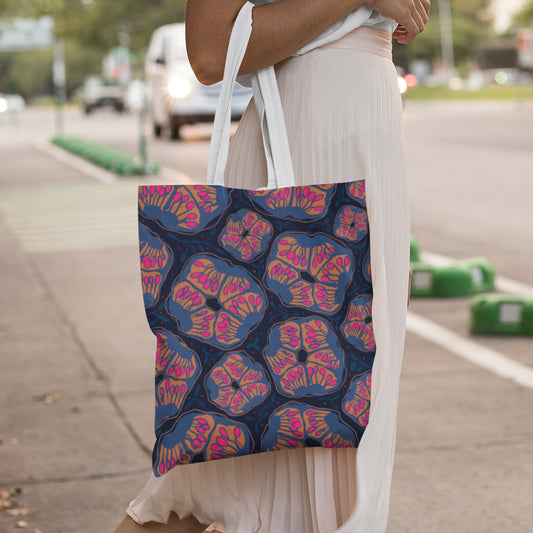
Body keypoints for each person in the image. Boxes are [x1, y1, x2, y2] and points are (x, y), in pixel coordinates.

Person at [115, 0, 429, 531]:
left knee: (332, 422)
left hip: (366, 138)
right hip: (309, 148)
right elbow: (212, 52)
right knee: (281, 439)